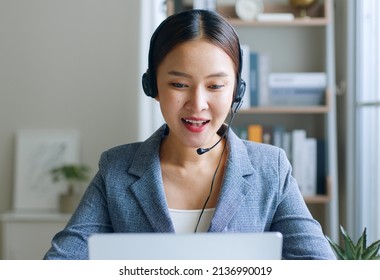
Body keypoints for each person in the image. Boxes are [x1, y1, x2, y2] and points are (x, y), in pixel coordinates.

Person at [44, 9, 336, 260]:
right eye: (179, 85)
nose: (197, 105)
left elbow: (318, 265)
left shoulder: (270, 167)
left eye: (215, 86)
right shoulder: (116, 169)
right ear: (152, 86)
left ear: (237, 91)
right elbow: (61, 263)